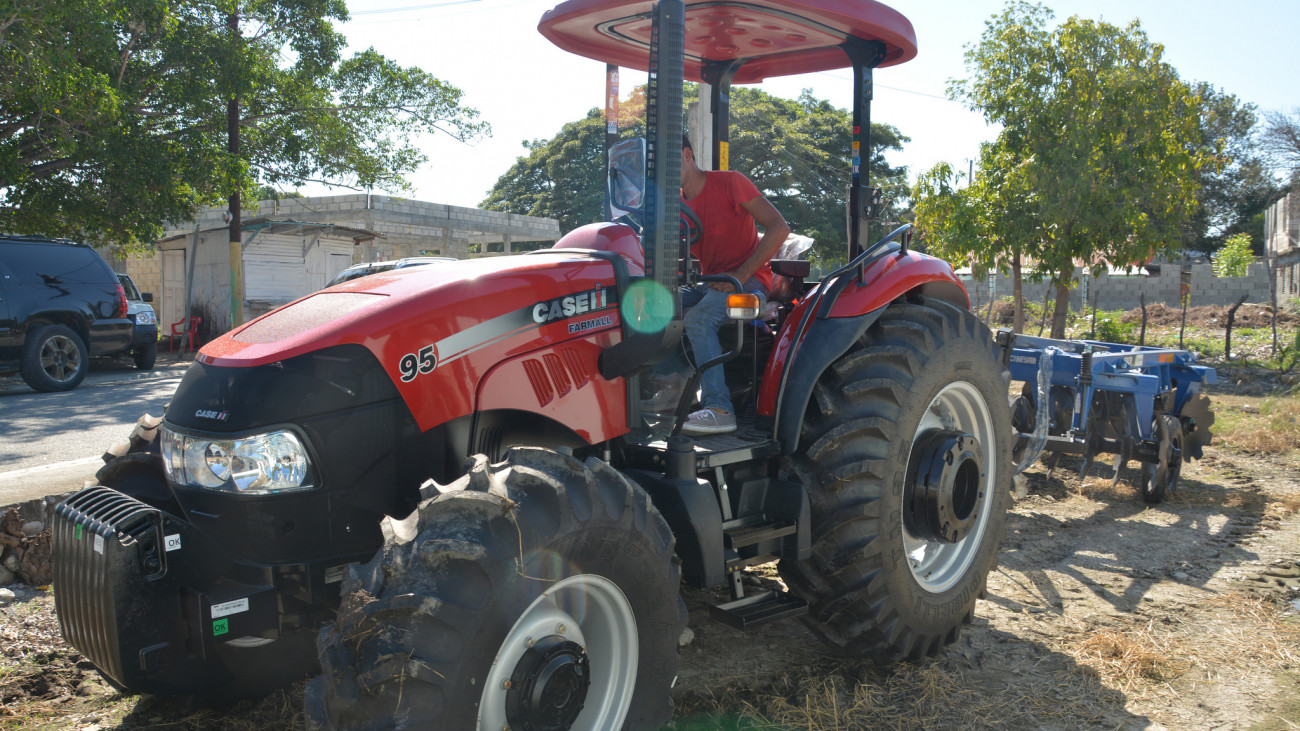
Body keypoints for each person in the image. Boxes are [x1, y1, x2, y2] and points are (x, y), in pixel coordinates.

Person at [672, 133, 790, 435]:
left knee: (699, 319)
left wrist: (739, 275)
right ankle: (665, 395)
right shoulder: (676, 205)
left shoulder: (730, 183)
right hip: (712, 283)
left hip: (749, 282)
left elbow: (780, 228)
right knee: (654, 307)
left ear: (687, 155)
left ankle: (719, 408)